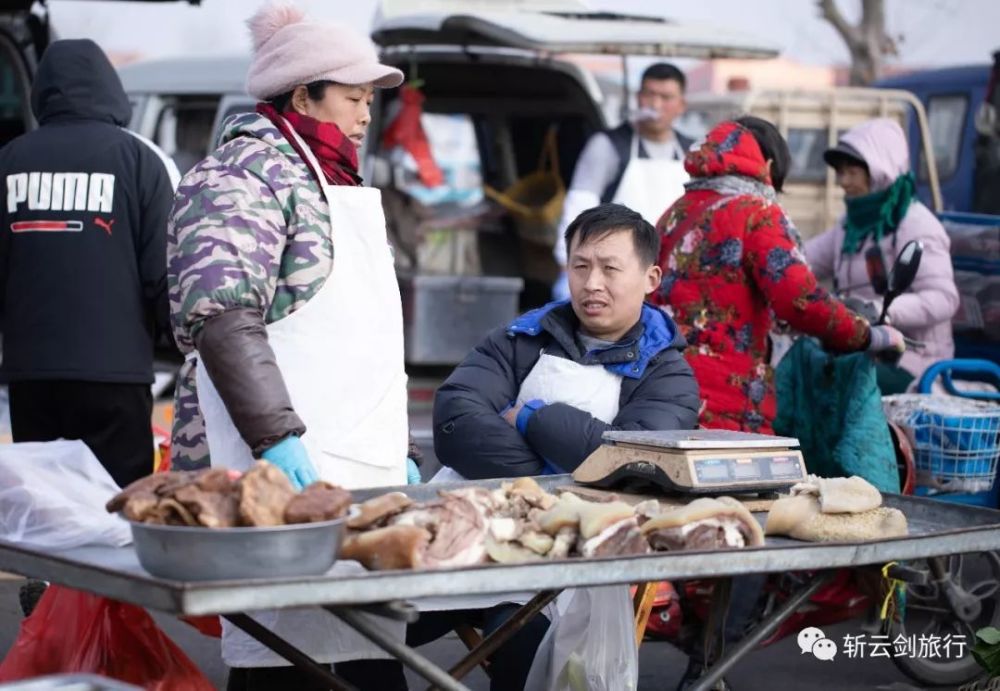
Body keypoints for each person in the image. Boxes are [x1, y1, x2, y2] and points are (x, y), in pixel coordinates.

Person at [167, 3, 409, 688]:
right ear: (302, 94)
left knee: (363, 655)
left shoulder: (333, 180)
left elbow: (359, 338)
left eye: (370, 100)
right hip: (267, 473)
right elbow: (221, 315)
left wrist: (395, 451)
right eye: (354, 98)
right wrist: (279, 446)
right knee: (287, 662)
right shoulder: (241, 176)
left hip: (353, 471)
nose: (366, 116)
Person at [426, 203, 699, 690]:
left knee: (521, 644)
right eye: (580, 266)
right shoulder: (520, 338)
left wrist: (530, 416)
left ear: (651, 277)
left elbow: (631, 462)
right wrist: (554, 470)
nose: (592, 283)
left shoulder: (668, 373)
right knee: (360, 620)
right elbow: (456, 419)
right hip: (465, 532)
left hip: (572, 558)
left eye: (610, 268)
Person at [651, 117, 907, 434]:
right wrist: (869, 335)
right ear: (768, 165)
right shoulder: (757, 213)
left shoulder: (675, 212)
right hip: (725, 402)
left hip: (658, 384)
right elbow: (800, 301)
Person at [0, 39, 177, 488]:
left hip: (32, 375)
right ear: (110, 89)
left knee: (49, 505)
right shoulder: (139, 161)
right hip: (115, 374)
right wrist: (175, 345)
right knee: (117, 507)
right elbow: (163, 272)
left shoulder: (9, 161)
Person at [805, 117, 960, 393]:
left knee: (839, 386)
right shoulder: (850, 226)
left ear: (880, 170)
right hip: (865, 348)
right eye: (840, 173)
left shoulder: (917, 225)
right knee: (805, 373)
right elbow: (805, 261)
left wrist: (880, 310)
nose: (843, 182)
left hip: (913, 360)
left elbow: (944, 299)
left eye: (852, 172)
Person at [552, 63, 693, 299]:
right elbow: (577, 208)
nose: (656, 105)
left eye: (666, 97)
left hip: (675, 277)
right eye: (649, 95)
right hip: (614, 279)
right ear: (638, 98)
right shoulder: (607, 146)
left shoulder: (693, 153)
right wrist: (566, 266)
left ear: (681, 105)